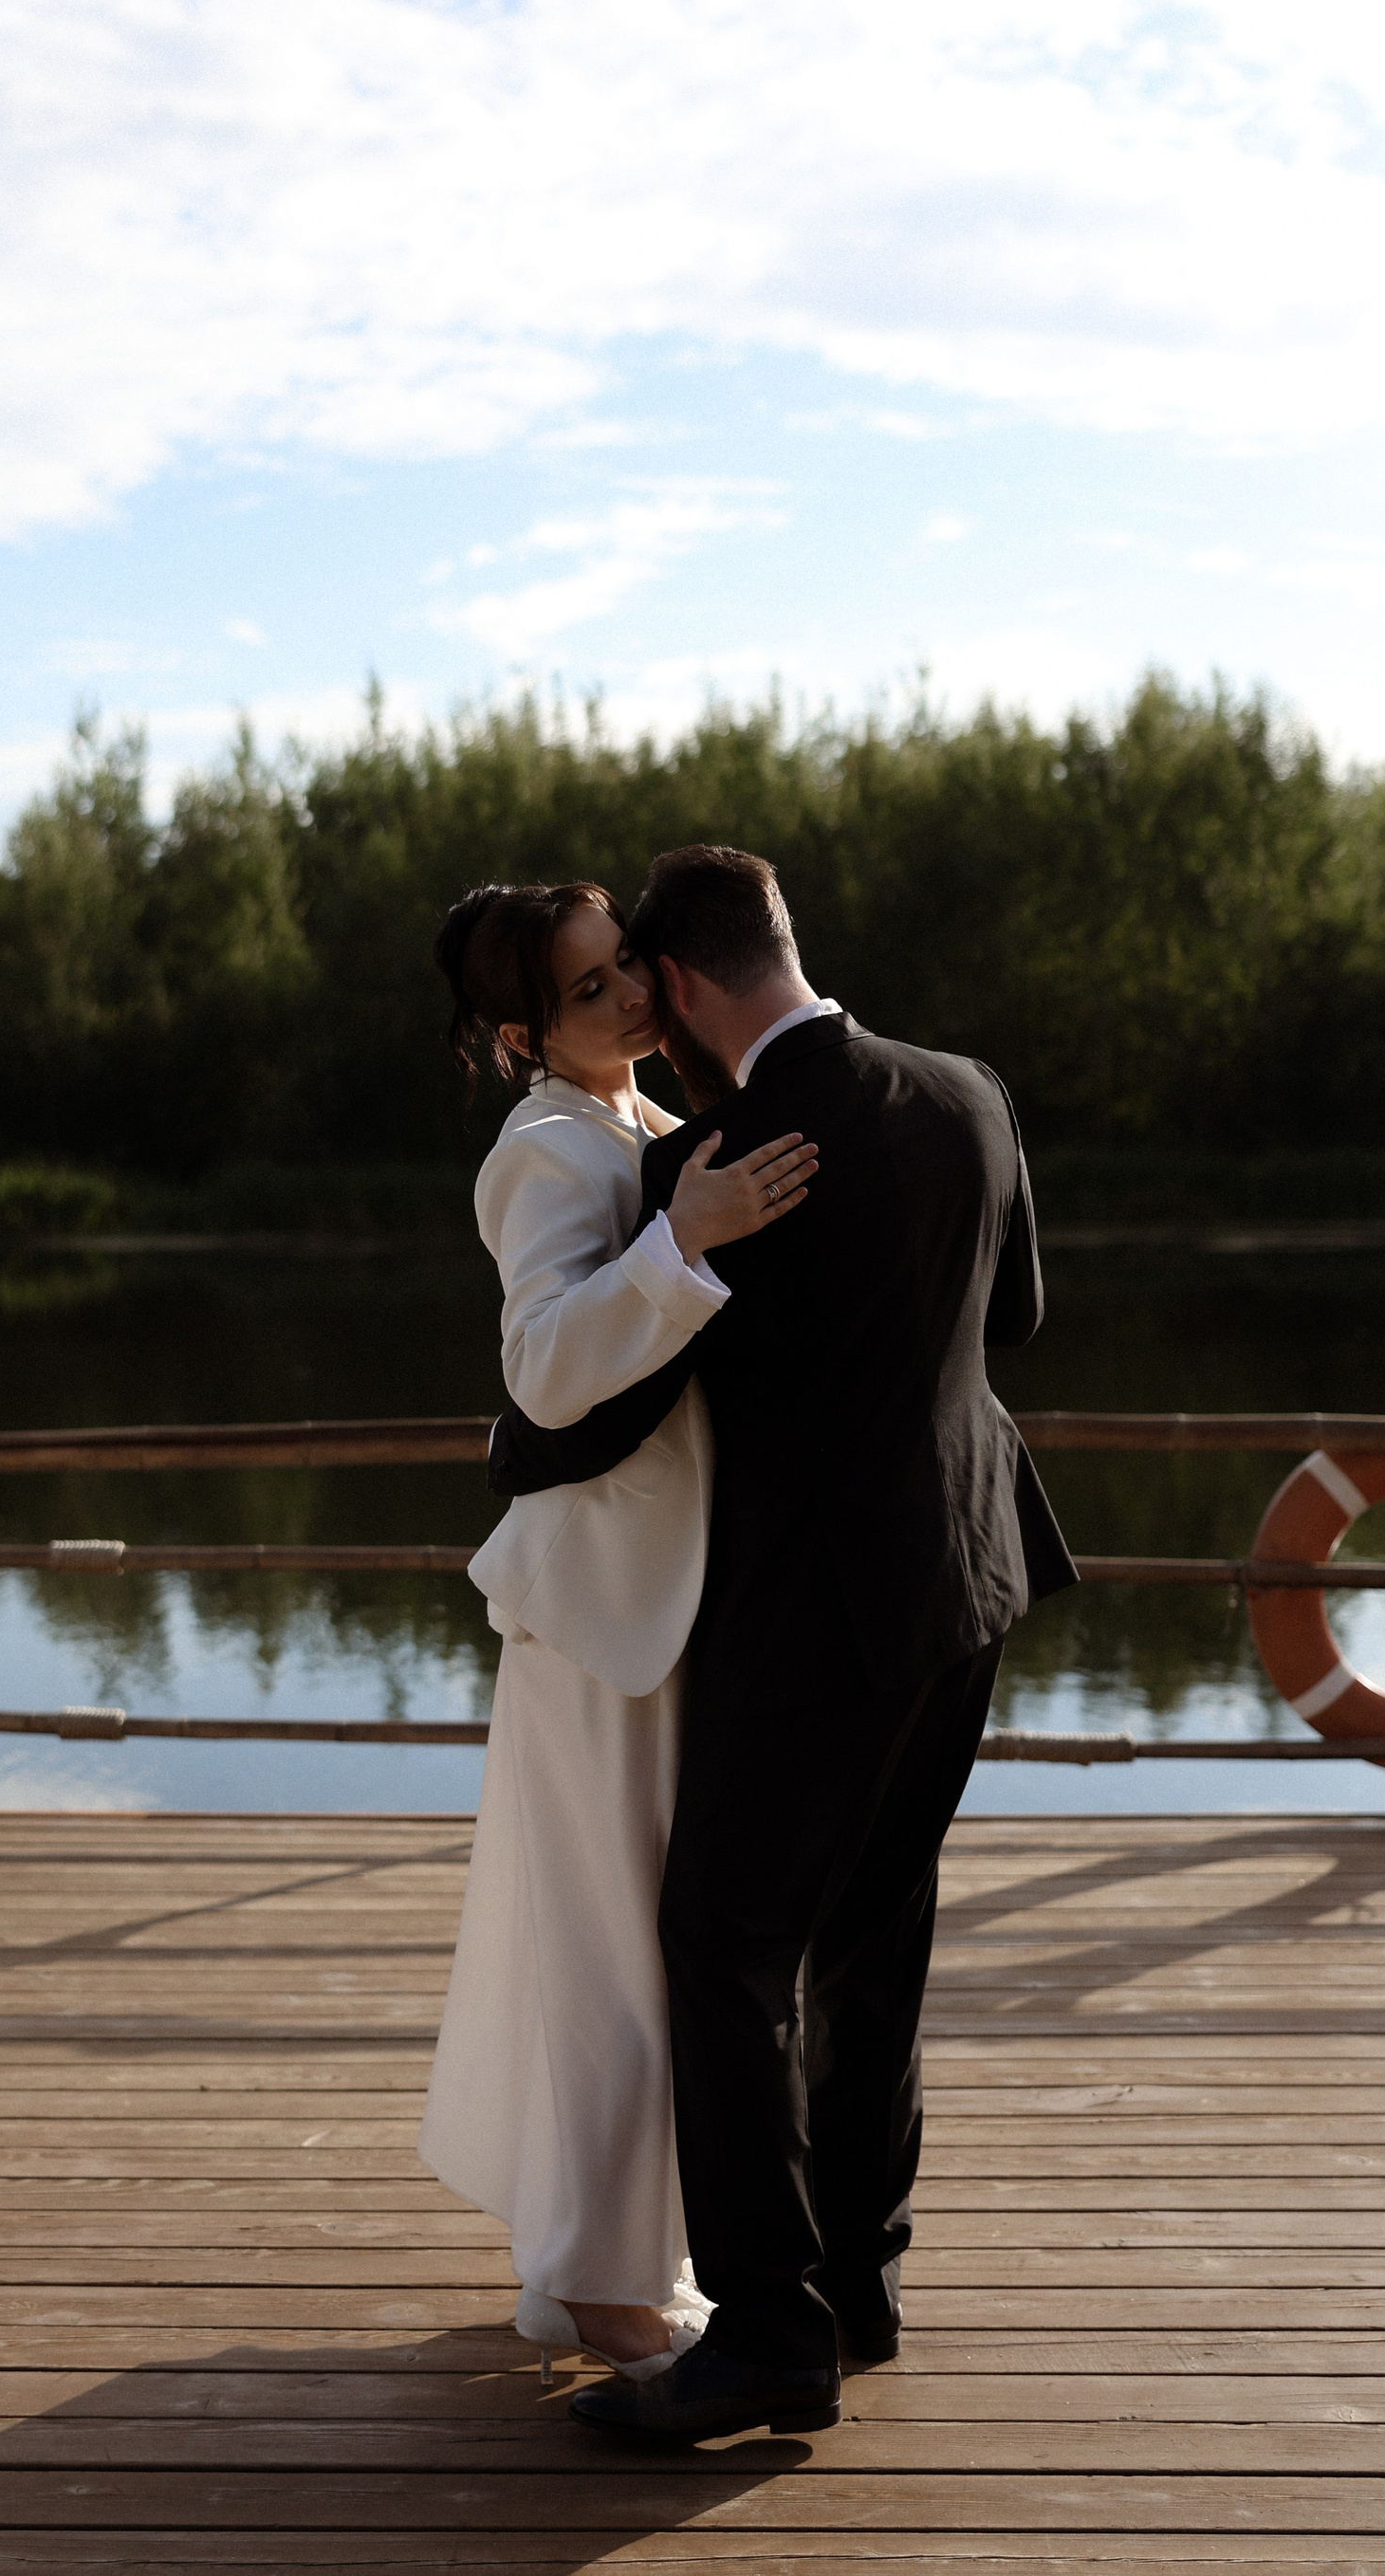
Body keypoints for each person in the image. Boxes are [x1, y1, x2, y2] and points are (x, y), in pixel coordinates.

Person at [489, 844, 1076, 2443]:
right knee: (876, 1934)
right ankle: (860, 2288)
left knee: (725, 1942)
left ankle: (765, 2335)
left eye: (643, 988)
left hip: (814, 1614)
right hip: (971, 1579)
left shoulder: (717, 1166)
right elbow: (1011, 1318)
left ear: (678, 989)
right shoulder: (969, 1093)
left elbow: (605, 1400)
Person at [417, 878, 819, 2383]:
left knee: (658, 1950)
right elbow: (541, 1367)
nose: (636, 997)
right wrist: (683, 1245)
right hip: (600, 1617)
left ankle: (610, 2260)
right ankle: (600, 2283)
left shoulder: (642, 1122)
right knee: (611, 1963)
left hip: (676, 1601)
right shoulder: (543, 1150)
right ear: (525, 1035)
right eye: (592, 991)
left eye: (629, 970)